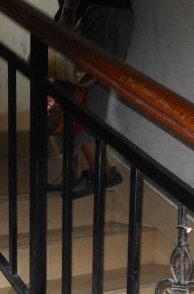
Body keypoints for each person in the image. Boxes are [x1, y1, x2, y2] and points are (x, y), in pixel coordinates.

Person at [47, 0, 135, 199]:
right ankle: (81, 171)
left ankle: (101, 170)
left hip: (104, 12)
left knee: (85, 93)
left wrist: (66, 20)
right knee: (69, 93)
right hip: (91, 13)